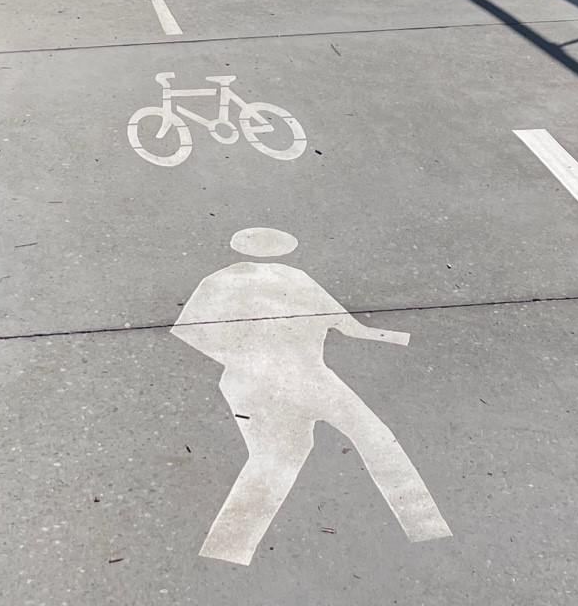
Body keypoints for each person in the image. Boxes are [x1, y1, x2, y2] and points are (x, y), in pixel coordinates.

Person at [172, 227, 451, 566]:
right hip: (290, 378)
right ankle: (426, 528)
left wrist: (242, 358)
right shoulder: (273, 279)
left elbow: (191, 332)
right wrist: (398, 337)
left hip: (283, 378)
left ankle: (226, 549)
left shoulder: (236, 279)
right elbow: (351, 327)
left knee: (284, 454)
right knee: (357, 440)